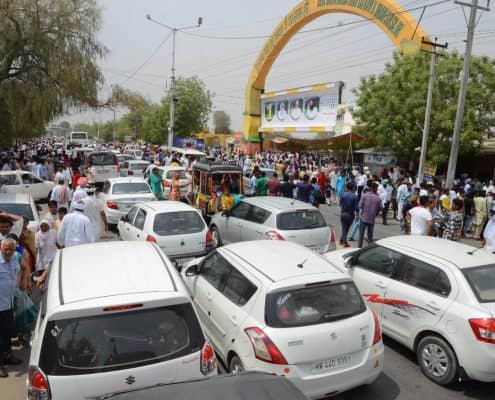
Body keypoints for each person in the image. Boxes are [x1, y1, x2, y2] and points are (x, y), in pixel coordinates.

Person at [0, 238, 22, 378]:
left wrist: (17, 286)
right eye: (5, 249)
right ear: (1, 248)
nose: (8, 252)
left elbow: (18, 271)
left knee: (7, 333)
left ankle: (8, 356)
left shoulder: (14, 258)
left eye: (11, 249)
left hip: (9, 303)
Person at [358, 182, 382, 248]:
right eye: (377, 188)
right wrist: (375, 213)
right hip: (371, 219)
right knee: (370, 236)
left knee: (361, 235)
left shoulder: (365, 195)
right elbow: (380, 209)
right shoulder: (378, 198)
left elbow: (360, 205)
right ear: (375, 188)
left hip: (363, 218)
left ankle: (359, 248)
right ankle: (368, 250)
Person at [339, 182, 358, 247]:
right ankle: (344, 242)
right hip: (350, 214)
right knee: (346, 228)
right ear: (353, 188)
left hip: (343, 213)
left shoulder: (343, 194)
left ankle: (342, 240)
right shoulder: (355, 196)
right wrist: (357, 215)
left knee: (344, 228)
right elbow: (356, 208)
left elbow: (340, 203)